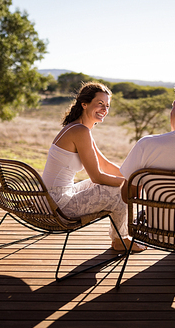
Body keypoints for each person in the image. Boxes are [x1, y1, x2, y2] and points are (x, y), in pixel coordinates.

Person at [42, 82, 146, 252]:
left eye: (107, 105)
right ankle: (121, 239)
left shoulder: (80, 129)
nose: (104, 109)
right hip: (57, 204)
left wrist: (131, 178)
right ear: (84, 104)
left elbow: (104, 164)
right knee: (117, 193)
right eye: (100, 104)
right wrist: (128, 186)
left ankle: (122, 236)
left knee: (116, 188)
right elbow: (97, 176)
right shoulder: (80, 131)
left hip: (52, 197)